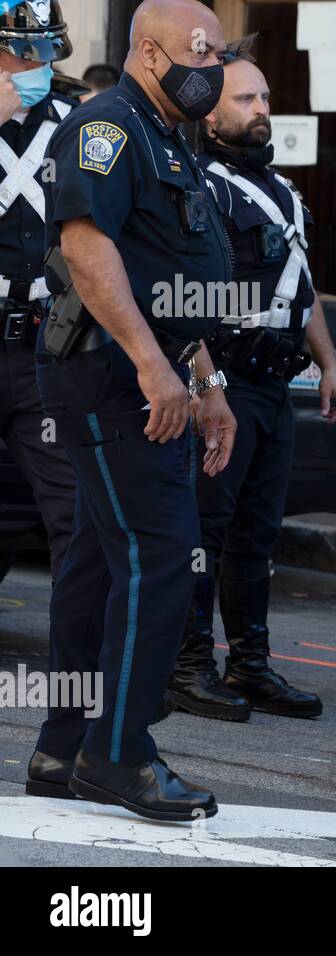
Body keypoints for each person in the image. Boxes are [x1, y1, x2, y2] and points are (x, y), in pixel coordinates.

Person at [24, 0, 236, 821]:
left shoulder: (168, 136)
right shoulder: (109, 125)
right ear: (149, 52)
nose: (214, 66)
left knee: (93, 559)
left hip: (147, 372)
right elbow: (86, 244)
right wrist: (155, 369)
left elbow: (169, 276)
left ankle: (64, 744)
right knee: (161, 555)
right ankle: (119, 753)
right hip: (111, 378)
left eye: (220, 53)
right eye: (202, 50)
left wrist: (205, 380)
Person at [166, 38, 336, 723]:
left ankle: (250, 664)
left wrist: (329, 365)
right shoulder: (196, 181)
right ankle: (187, 666)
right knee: (204, 530)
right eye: (245, 99)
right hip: (223, 379)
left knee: (257, 533)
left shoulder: (282, 190)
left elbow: (299, 294)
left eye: (266, 97)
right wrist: (203, 383)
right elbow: (181, 293)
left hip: (275, 385)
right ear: (209, 116)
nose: (262, 109)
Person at [0, 1, 78, 583]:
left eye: (46, 49)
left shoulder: (77, 124)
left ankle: (81, 665)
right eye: (24, 51)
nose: (38, 63)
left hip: (44, 345)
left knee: (73, 509)